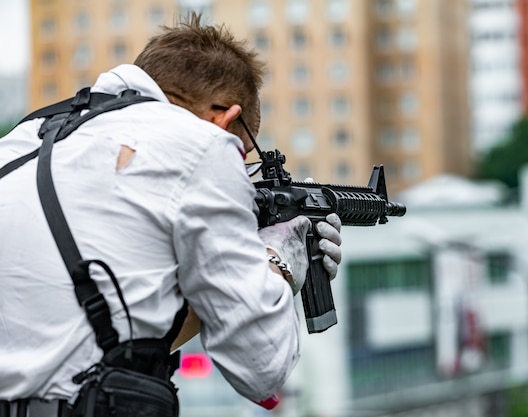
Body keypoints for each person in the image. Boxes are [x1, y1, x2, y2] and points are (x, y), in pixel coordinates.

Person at [0, 13, 342, 416]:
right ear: (225, 119)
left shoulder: (24, 139)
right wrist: (277, 261)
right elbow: (262, 370)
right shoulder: (204, 144)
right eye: (245, 152)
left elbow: (96, 337)